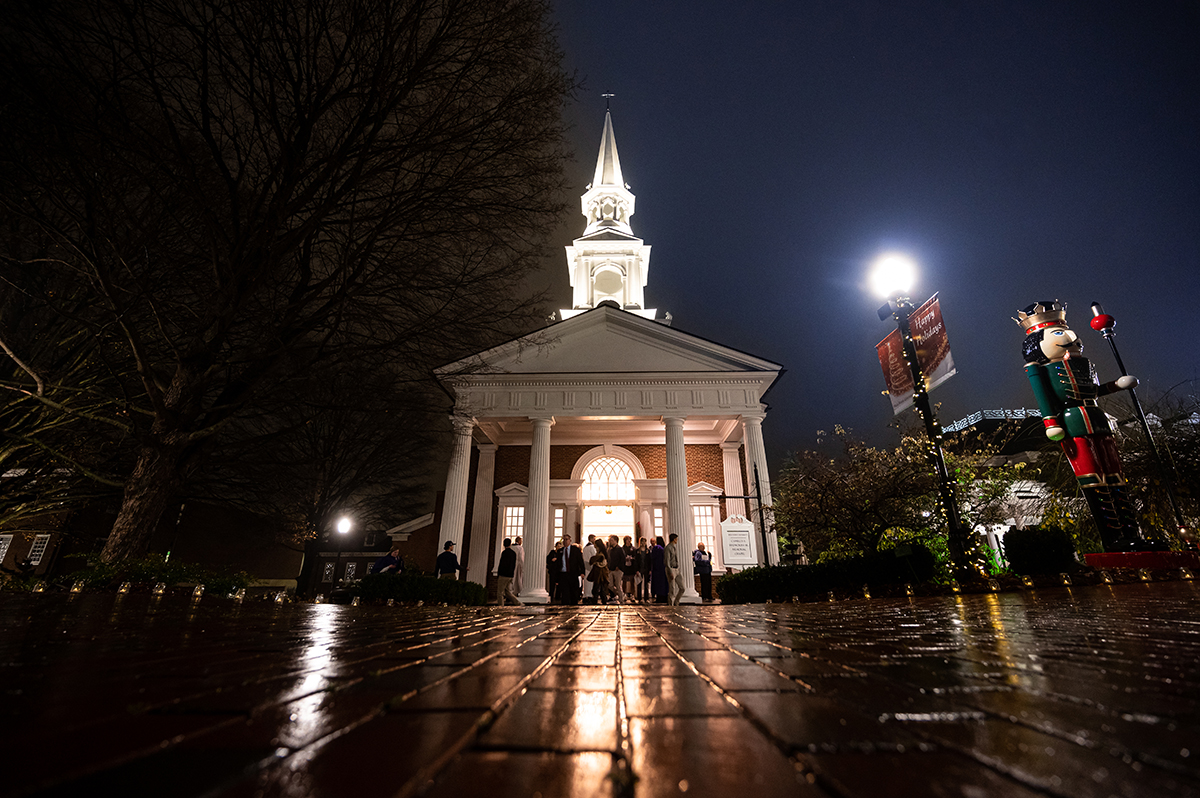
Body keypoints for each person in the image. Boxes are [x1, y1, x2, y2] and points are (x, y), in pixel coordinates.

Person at [559, 535, 586, 604]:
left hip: (573, 574)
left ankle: (573, 605)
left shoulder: (575, 550)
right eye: (564, 540)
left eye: (566, 539)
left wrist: (582, 572)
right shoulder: (560, 551)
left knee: (573, 591)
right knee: (565, 592)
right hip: (563, 574)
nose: (565, 541)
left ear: (570, 540)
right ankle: (565, 605)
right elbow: (558, 564)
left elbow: (580, 561)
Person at [495, 538, 522, 605]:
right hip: (510, 575)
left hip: (503, 575)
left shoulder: (504, 553)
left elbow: (502, 564)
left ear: (504, 544)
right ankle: (518, 603)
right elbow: (513, 564)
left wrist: (499, 574)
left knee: (500, 593)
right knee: (508, 592)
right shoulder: (513, 553)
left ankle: (500, 606)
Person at [665, 533, 684, 605]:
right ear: (674, 539)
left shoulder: (674, 547)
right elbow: (667, 560)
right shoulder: (668, 548)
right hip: (671, 569)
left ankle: (676, 601)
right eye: (676, 539)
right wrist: (670, 571)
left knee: (682, 587)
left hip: (676, 569)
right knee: (672, 588)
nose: (677, 540)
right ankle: (671, 604)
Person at [606, 535, 625, 603]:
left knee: (618, 584)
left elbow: (622, 559)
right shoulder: (609, 549)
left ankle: (621, 599)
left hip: (618, 570)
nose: (610, 542)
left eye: (611, 540)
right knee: (610, 585)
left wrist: (619, 567)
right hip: (611, 569)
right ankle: (616, 594)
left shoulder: (619, 549)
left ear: (615, 541)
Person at [620, 535, 637, 600]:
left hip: (631, 567)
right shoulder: (623, 549)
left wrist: (632, 558)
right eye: (627, 540)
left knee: (632, 581)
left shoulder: (633, 549)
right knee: (624, 581)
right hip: (625, 567)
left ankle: (632, 594)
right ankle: (624, 594)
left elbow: (636, 557)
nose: (629, 541)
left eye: (629, 540)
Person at [650, 536, 667, 603]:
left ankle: (659, 597)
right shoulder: (664, 548)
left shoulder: (656, 548)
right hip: (663, 568)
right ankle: (664, 597)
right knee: (663, 583)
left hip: (657, 568)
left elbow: (653, 558)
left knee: (657, 583)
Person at [581, 534, 597, 602]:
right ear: (592, 539)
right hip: (591, 566)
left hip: (586, 565)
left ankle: (585, 595)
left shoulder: (585, 548)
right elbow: (595, 556)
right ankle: (590, 595)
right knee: (591, 581)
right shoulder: (592, 547)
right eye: (594, 539)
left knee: (586, 581)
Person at [635, 538, 651, 603]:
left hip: (646, 568)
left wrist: (650, 569)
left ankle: (646, 598)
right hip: (640, 568)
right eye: (642, 542)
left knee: (646, 584)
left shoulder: (648, 551)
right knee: (639, 583)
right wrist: (636, 570)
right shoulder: (637, 551)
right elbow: (636, 561)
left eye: (644, 542)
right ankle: (639, 598)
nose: (643, 543)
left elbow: (650, 561)